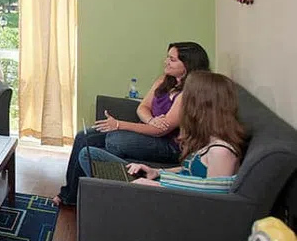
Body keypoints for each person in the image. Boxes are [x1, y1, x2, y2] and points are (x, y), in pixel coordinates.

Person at [52, 41, 211, 206]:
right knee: (83, 136)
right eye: (167, 57)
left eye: (172, 59)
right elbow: (142, 107)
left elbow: (160, 131)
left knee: (114, 141)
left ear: (187, 65)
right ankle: (70, 194)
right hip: (149, 131)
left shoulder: (189, 93)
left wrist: (119, 125)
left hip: (169, 145)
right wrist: (150, 119)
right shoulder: (164, 80)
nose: (166, 62)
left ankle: (93, 191)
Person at [79, 71, 245, 191]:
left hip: (166, 198)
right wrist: (157, 172)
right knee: (89, 154)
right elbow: (189, 172)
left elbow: (210, 197)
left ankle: (106, 199)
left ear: (200, 106)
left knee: (102, 155)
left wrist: (159, 185)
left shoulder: (221, 151)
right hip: (163, 184)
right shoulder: (206, 139)